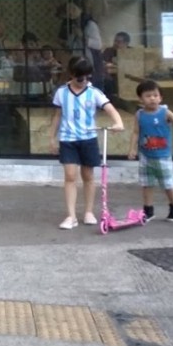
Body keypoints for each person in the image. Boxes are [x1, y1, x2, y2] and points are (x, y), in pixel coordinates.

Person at [48, 56, 124, 230]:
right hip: (68, 139)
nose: (83, 80)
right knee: (70, 176)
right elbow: (57, 116)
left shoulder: (94, 92)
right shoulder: (61, 92)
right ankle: (71, 216)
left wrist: (118, 122)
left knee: (88, 176)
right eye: (79, 77)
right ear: (71, 74)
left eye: (87, 77)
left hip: (88, 138)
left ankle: (88, 211)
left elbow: (110, 109)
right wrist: (52, 138)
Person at [127, 80, 173, 222]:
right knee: (147, 184)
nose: (152, 98)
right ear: (140, 99)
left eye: (155, 95)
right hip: (145, 156)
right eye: (148, 96)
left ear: (161, 97)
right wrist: (132, 148)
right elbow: (136, 132)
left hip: (163, 156)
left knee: (168, 183)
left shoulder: (165, 113)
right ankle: (148, 210)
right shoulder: (139, 114)